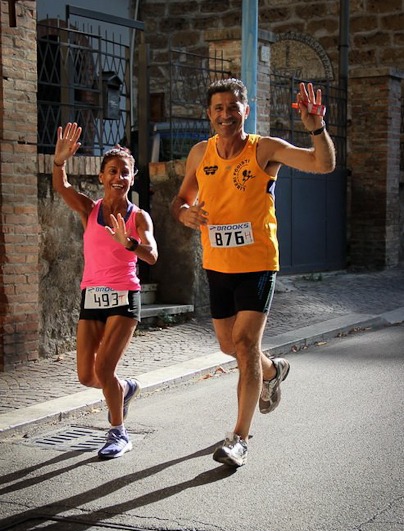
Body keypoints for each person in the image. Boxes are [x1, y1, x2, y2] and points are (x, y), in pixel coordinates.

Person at [171, 78, 336, 468]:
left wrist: (317, 127)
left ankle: (239, 439)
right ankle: (273, 370)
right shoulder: (200, 153)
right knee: (229, 346)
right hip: (218, 265)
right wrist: (184, 214)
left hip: (258, 263)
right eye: (219, 108)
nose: (226, 115)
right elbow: (180, 199)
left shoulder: (265, 149)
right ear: (209, 114)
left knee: (244, 344)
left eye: (233, 107)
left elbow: (323, 163)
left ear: (246, 110)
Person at [53, 122, 158, 460]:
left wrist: (130, 243)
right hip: (92, 296)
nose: (118, 177)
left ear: (133, 177)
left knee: (104, 370)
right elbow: (62, 186)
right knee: (87, 376)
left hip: (125, 297)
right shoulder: (90, 209)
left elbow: (152, 255)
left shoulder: (138, 217)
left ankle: (118, 432)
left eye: (124, 172)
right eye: (112, 171)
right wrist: (59, 161)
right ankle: (124, 389)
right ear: (101, 176)